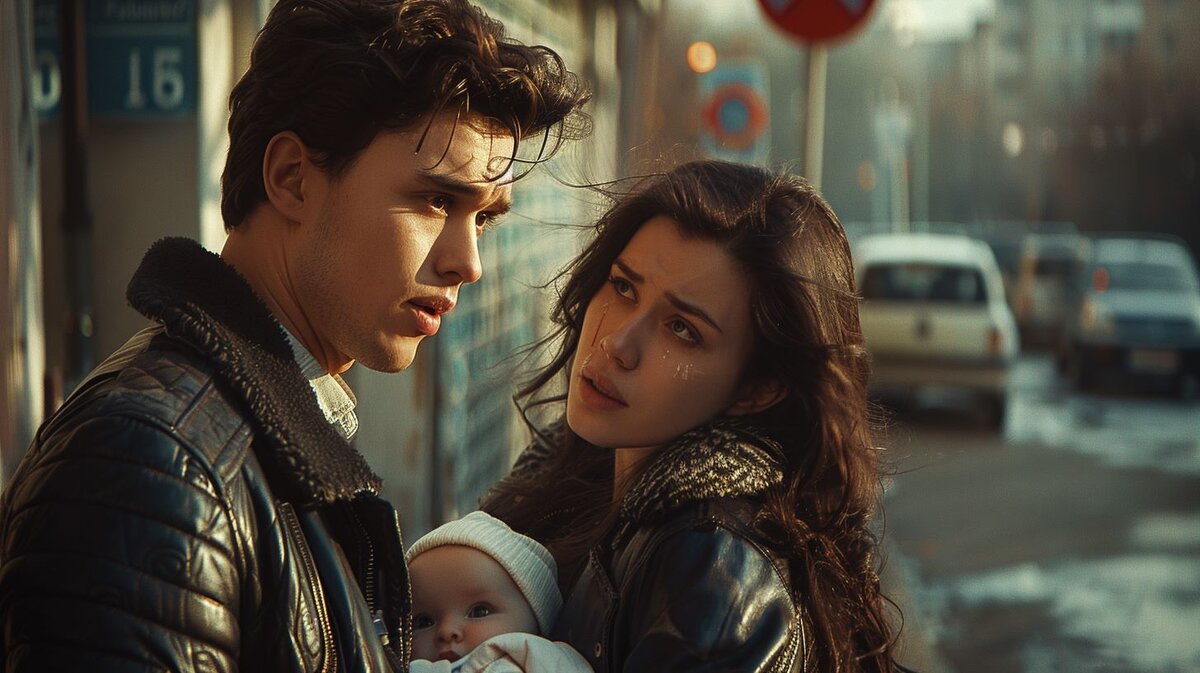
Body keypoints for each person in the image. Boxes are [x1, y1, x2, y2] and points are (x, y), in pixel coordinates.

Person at [0, 0, 587, 670]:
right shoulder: (151, 466)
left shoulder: (265, 434)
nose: (468, 262)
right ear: (291, 179)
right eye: (436, 200)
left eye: (483, 218)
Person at [482, 160, 909, 672]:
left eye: (682, 329)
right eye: (623, 287)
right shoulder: (572, 478)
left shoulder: (713, 580)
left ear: (758, 389)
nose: (617, 344)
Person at [405, 511, 592, 673]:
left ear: (537, 622)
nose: (446, 631)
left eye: (480, 611)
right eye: (423, 621)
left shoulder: (544, 658)